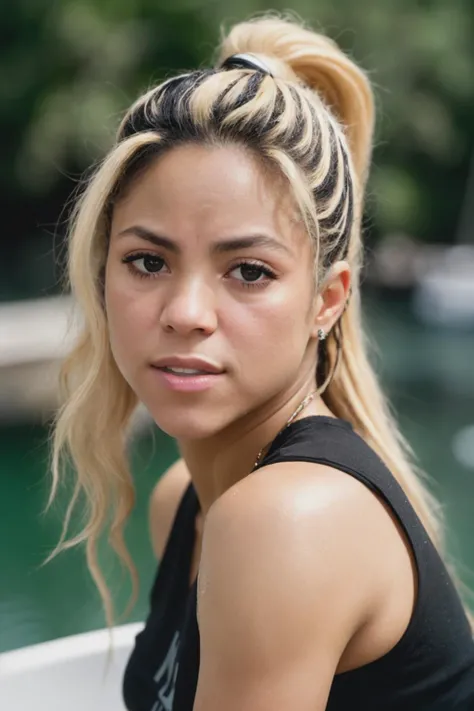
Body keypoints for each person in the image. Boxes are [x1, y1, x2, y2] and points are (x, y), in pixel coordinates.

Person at [49, 14, 474, 711]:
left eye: (247, 271)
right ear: (101, 275)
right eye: (147, 261)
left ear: (327, 301)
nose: (186, 311)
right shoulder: (185, 503)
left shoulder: (286, 519)